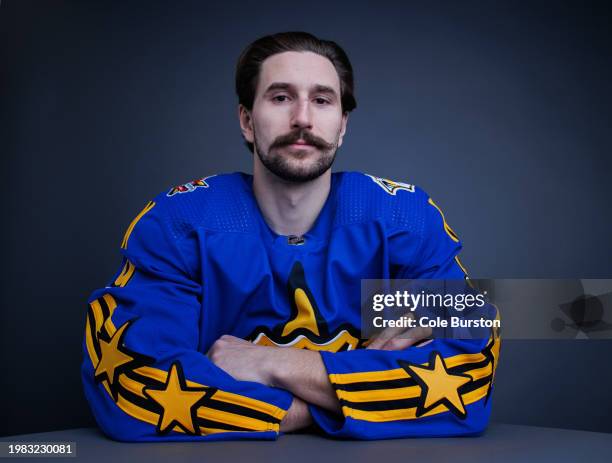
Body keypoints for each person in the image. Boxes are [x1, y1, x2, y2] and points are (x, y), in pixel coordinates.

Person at [82, 31, 500, 442]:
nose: (302, 118)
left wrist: (277, 365)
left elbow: (469, 370)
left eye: (322, 100)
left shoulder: (399, 219)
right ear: (247, 121)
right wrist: (356, 396)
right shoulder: (181, 223)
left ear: (342, 126)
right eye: (281, 97)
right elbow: (134, 383)